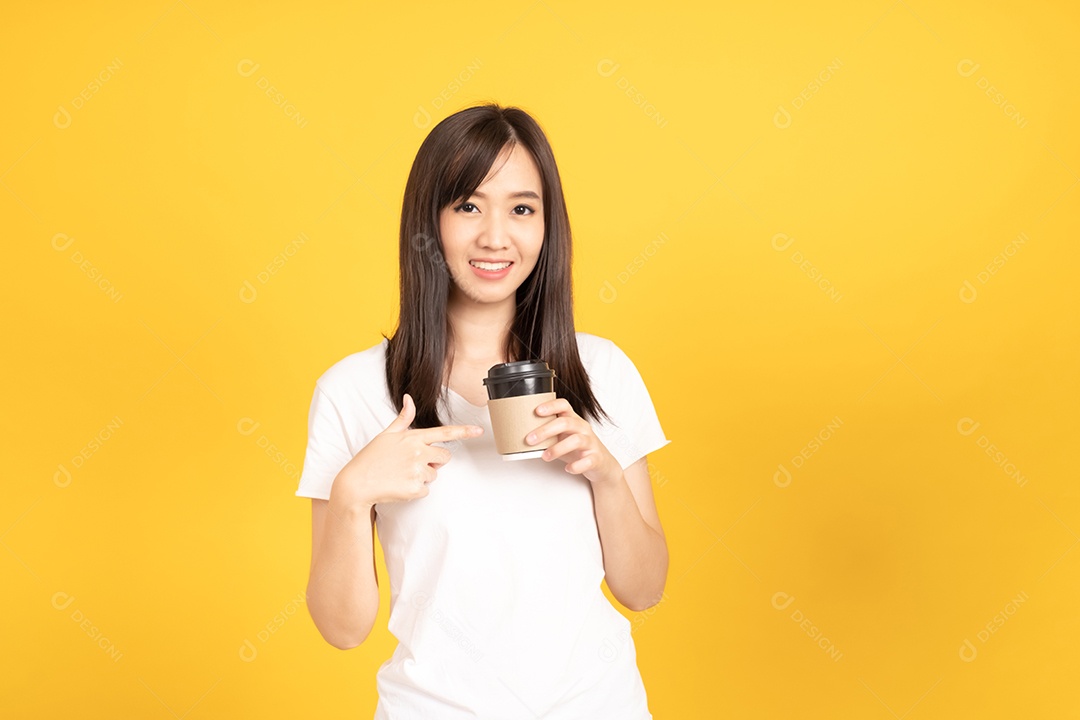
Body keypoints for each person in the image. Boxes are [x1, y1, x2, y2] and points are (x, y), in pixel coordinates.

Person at [295, 102, 671, 719]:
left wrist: (606, 474)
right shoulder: (354, 389)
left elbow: (644, 589)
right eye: (468, 206)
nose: (496, 237)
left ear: (547, 226)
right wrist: (350, 495)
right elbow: (341, 629)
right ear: (429, 220)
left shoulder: (600, 371)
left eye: (522, 209)